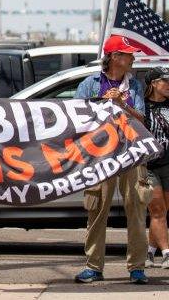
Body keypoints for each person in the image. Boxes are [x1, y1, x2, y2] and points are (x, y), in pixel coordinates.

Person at [73, 34, 149, 285]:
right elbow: (76, 119)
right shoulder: (90, 85)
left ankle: (137, 267)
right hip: (100, 155)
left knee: (136, 208)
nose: (133, 59)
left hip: (131, 153)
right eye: (128, 54)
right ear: (115, 57)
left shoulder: (134, 86)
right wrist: (101, 103)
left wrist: (122, 104)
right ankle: (93, 266)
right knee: (96, 209)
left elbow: (142, 121)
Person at [143, 67, 169, 269]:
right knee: (157, 210)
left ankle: (150, 252)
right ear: (153, 83)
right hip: (149, 165)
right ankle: (167, 253)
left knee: (163, 212)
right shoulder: (142, 107)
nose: (168, 85)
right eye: (165, 81)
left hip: (168, 163)